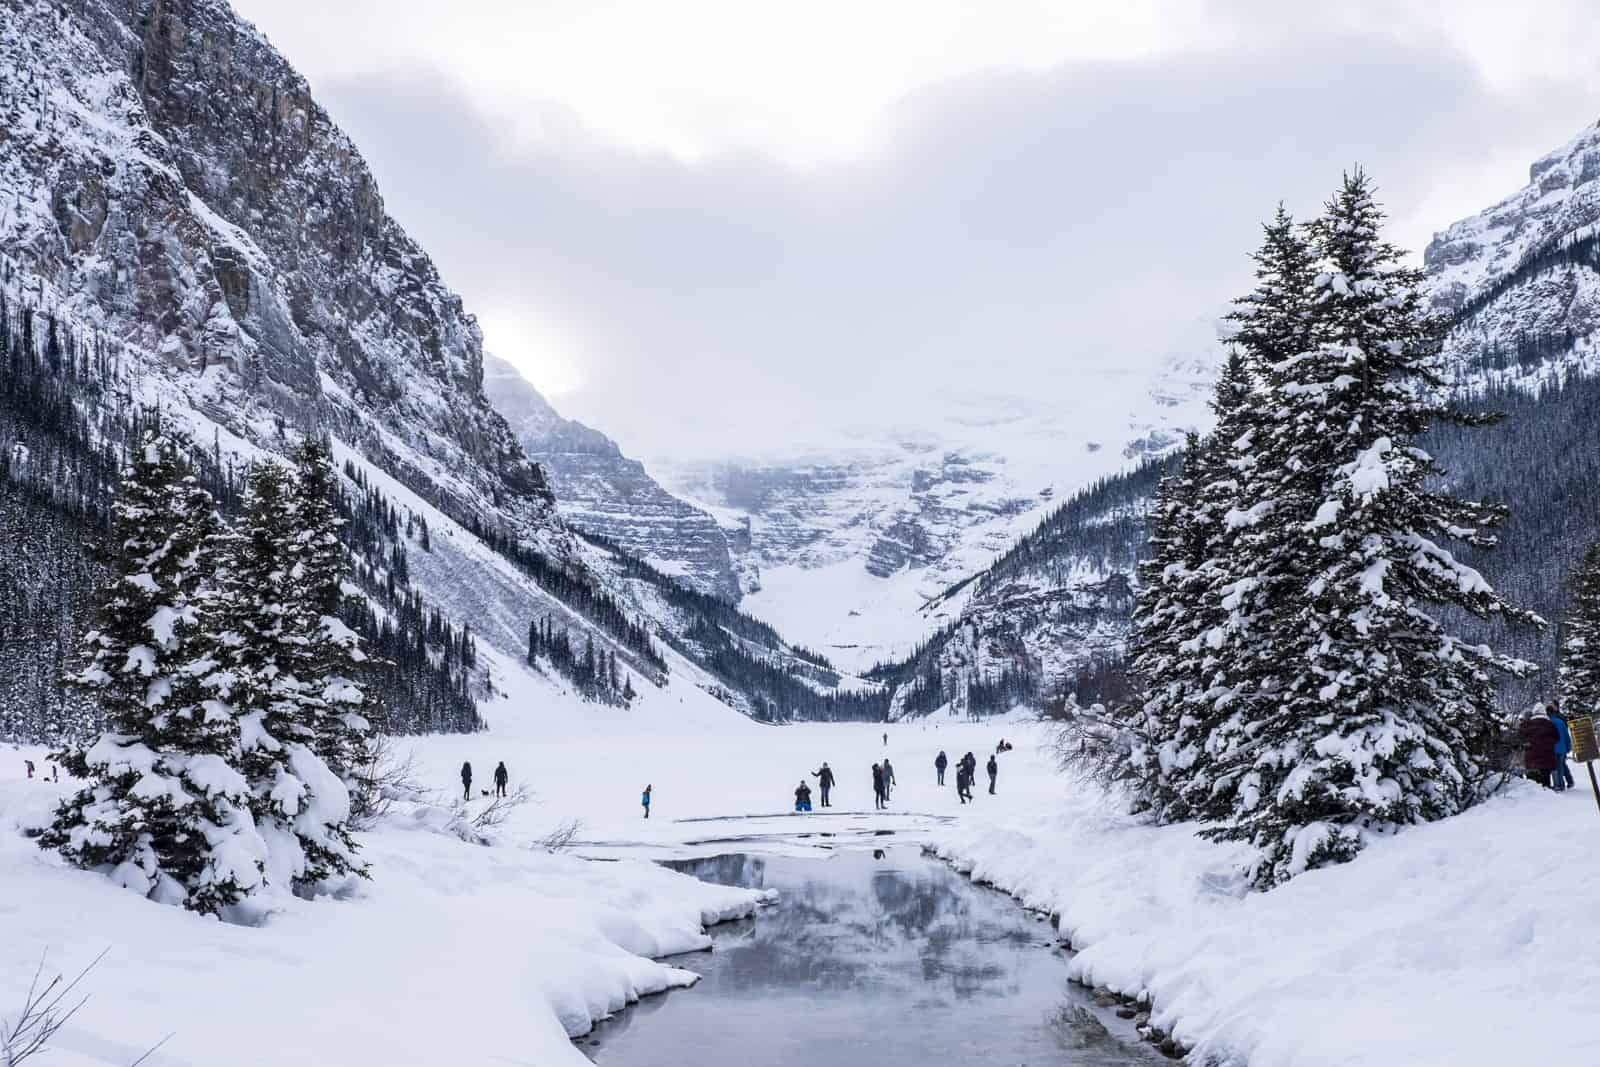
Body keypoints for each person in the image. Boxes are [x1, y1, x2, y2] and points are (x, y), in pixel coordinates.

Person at [1520, 709, 1560, 788]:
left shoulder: (1526, 724)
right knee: (1546, 781)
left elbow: (1520, 738)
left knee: (1532, 785)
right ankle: (1547, 793)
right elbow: (1557, 738)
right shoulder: (1550, 724)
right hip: (1547, 757)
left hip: (1531, 758)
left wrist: (1527, 744)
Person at [1549, 701, 1576, 792]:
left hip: (1555, 748)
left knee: (1558, 767)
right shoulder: (1561, 720)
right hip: (1562, 747)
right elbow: (1566, 734)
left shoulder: (1553, 721)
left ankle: (1560, 785)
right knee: (1561, 765)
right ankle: (1568, 782)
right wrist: (1568, 746)